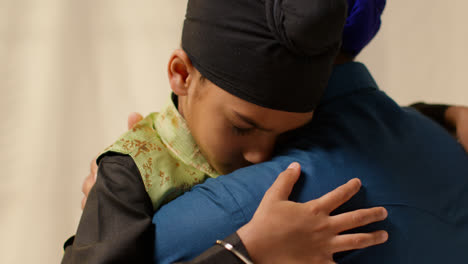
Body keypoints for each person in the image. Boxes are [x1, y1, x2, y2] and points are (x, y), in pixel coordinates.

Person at [62, 0, 392, 263]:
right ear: (181, 75)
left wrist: (435, 115)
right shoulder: (131, 173)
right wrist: (246, 252)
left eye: (284, 136)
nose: (261, 155)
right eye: (242, 126)